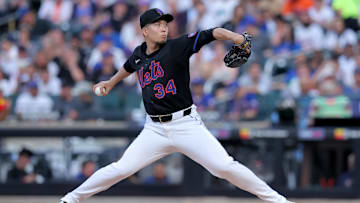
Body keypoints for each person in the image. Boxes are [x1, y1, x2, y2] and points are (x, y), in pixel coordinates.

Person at [60, 8, 293, 203]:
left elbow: (212, 33)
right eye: (157, 24)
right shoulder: (139, 54)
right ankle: (70, 199)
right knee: (121, 169)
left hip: (186, 124)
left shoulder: (177, 46)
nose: (164, 27)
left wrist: (237, 38)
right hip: (154, 130)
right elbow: (129, 66)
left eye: (165, 24)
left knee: (223, 167)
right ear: (144, 31)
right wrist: (111, 82)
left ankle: (278, 200)